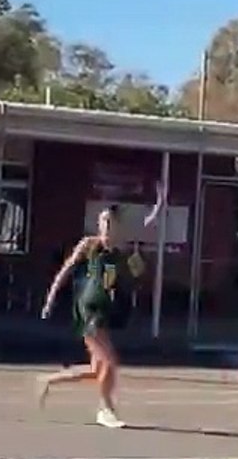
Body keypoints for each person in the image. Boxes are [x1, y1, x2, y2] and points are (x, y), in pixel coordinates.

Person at [37, 183, 166, 427]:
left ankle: (49, 380)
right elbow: (65, 271)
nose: (105, 227)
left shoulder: (122, 253)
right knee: (109, 362)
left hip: (104, 312)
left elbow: (139, 276)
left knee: (98, 370)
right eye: (102, 222)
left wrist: (140, 261)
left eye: (109, 223)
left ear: (117, 227)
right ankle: (105, 409)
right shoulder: (89, 245)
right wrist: (50, 299)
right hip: (88, 311)